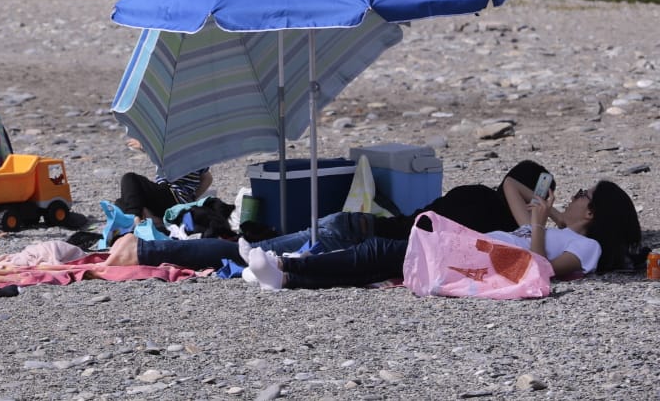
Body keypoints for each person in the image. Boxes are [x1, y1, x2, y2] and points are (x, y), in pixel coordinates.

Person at [239, 179, 640, 290]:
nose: (572, 197)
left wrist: (538, 224)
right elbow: (512, 183)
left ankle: (286, 268)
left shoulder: (588, 246)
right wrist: (545, 215)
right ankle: (286, 275)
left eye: (580, 195)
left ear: (591, 211)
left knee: (383, 252)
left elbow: (542, 270)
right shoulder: (566, 232)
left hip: (485, 259)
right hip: (481, 251)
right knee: (381, 259)